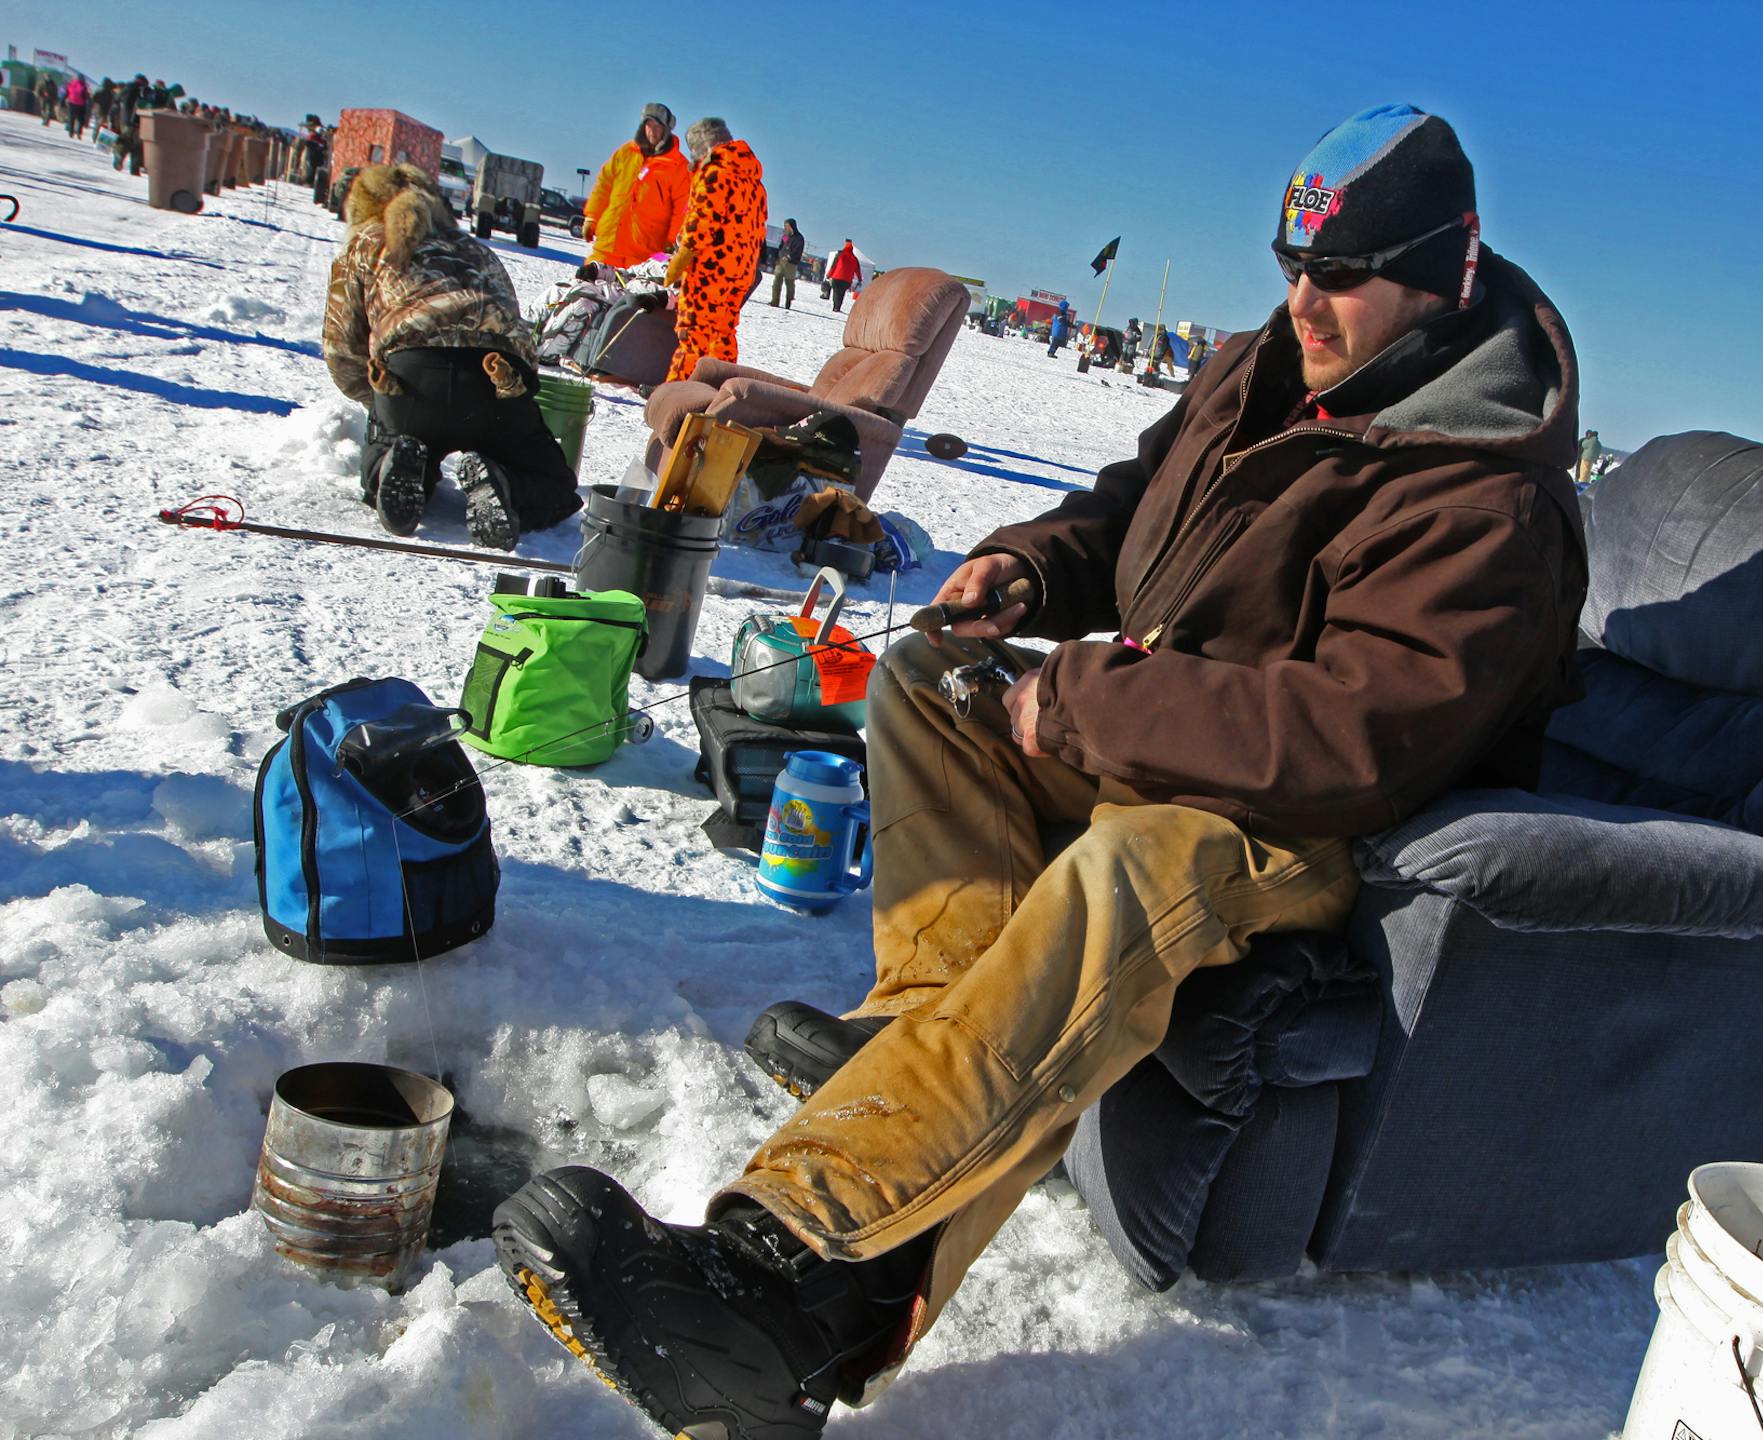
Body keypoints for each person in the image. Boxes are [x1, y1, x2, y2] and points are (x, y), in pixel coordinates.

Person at [492, 102, 1589, 1437]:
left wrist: (1078, 699)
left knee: (1131, 867)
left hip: (1320, 824)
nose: (1306, 303)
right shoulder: (1270, 367)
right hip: (1182, 731)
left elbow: (1352, 737)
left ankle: (778, 1278)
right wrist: (1026, 566)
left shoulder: (1487, 496)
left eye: (1345, 279)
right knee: (932, 686)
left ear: (1446, 268)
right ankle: (920, 1047)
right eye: (1294, 267)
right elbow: (1132, 512)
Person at [322, 164, 583, 550]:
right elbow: (517, 329)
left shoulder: (363, 245)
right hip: (495, 382)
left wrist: (383, 403)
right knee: (552, 485)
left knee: (399, 444)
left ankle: (398, 467)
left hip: (409, 377)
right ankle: (508, 486)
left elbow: (342, 351)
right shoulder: (474, 249)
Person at [664, 117, 768, 381]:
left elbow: (702, 219)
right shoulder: (754, 181)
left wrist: (682, 255)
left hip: (710, 269)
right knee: (723, 333)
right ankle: (715, 387)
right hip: (741, 270)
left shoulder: (715, 172)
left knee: (693, 333)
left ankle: (677, 390)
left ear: (704, 147)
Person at [582, 103, 693, 270]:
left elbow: (683, 210)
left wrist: (670, 242)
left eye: (657, 126)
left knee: (629, 295)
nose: (652, 131)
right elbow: (604, 185)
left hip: (643, 255)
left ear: (667, 129)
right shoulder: (626, 152)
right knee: (587, 289)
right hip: (607, 245)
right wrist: (592, 216)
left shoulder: (679, 167)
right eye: (648, 125)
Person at [768, 217, 805, 308]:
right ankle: (774, 301)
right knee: (777, 282)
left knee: (789, 284)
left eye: (787, 226)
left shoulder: (799, 238)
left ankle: (788, 301)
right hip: (781, 262)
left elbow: (798, 250)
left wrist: (789, 257)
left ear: (792, 226)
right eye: (785, 226)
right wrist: (778, 257)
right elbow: (781, 247)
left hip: (791, 264)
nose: (785, 228)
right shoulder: (785, 236)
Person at [828, 238, 862, 313]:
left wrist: (829, 275)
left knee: (836, 292)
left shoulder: (840, 255)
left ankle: (835, 306)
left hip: (836, 277)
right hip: (847, 280)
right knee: (842, 293)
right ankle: (838, 306)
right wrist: (860, 279)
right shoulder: (855, 259)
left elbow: (833, 266)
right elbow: (858, 270)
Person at [62, 74, 90, 140]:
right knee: (80, 120)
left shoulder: (71, 84)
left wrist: (63, 101)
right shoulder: (83, 85)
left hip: (72, 103)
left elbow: (67, 93)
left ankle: (71, 133)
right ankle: (78, 133)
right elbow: (85, 96)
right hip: (81, 105)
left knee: (71, 118)